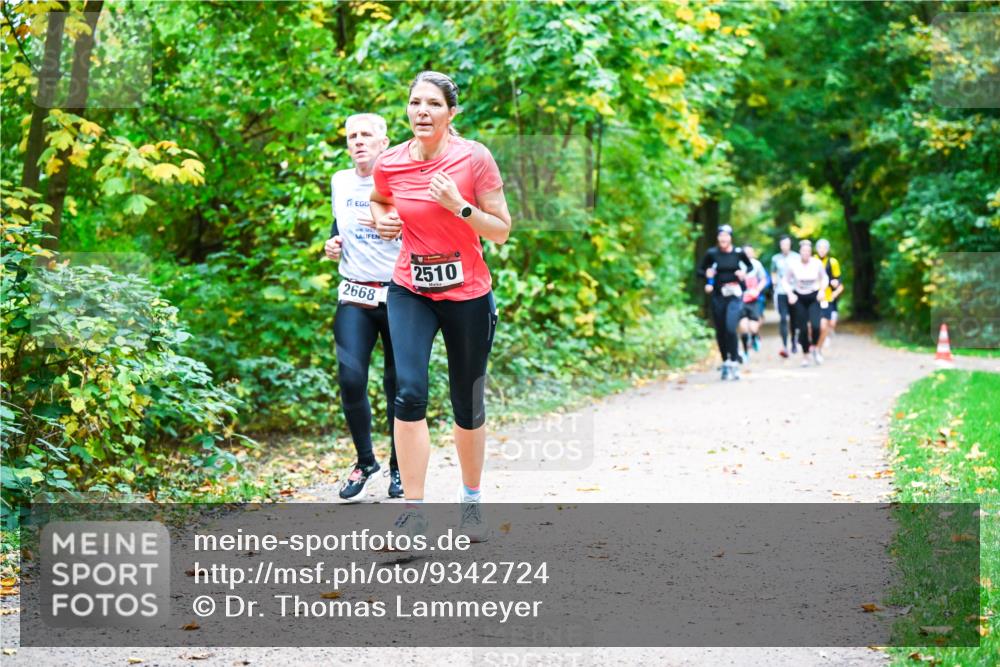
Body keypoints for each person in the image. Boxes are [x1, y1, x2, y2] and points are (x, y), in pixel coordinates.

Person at [370, 71, 511, 541]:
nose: (422, 111)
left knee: (466, 403)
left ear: (452, 113)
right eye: (414, 103)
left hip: (467, 293)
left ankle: (470, 501)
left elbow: (501, 230)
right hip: (410, 288)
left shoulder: (475, 159)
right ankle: (413, 512)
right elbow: (379, 201)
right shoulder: (390, 163)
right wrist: (385, 220)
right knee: (408, 393)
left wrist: (458, 206)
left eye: (433, 103)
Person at [325, 113, 404, 501]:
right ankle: (365, 461)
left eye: (366, 135)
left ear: (383, 142)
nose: (358, 141)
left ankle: (399, 466)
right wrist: (332, 243)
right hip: (354, 293)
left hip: (399, 295)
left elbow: (424, 230)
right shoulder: (340, 181)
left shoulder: (402, 179)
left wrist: (394, 226)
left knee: (399, 387)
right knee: (351, 378)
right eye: (352, 136)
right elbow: (338, 225)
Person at [698, 225, 752, 381]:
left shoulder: (738, 253)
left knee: (730, 327)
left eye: (726, 236)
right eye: (721, 236)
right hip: (718, 295)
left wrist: (743, 273)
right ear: (717, 238)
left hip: (734, 295)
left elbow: (749, 266)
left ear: (730, 238)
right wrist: (707, 276)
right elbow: (700, 270)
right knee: (721, 330)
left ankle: (734, 363)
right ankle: (726, 362)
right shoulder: (712, 254)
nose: (723, 239)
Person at [782, 239, 829, 367]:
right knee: (802, 328)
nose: (806, 253)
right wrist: (790, 293)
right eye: (803, 251)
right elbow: (785, 280)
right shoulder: (793, 264)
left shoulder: (817, 263)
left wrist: (822, 290)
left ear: (810, 252)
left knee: (815, 326)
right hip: (799, 298)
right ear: (800, 252)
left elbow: (824, 278)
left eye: (808, 251)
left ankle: (815, 347)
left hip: (813, 297)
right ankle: (806, 355)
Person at [738, 242, 769, 360]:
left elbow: (764, 279)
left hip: (754, 300)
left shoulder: (757, 265)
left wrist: (757, 290)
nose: (748, 255)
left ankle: (755, 337)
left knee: (753, 327)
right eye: (746, 253)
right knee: (743, 327)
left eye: (750, 253)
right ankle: (745, 352)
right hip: (741, 300)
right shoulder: (737, 265)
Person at [815, 238, 844, 352]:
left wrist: (835, 290)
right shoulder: (813, 260)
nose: (822, 250)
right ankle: (818, 341)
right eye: (820, 248)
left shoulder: (833, 262)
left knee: (831, 322)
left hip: (829, 297)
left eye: (824, 248)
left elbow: (839, 282)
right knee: (819, 322)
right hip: (816, 296)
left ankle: (826, 335)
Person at [770, 235, 796, 357]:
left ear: (790, 244)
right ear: (780, 245)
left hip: (794, 291)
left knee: (794, 319)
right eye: (783, 244)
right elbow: (773, 272)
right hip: (781, 292)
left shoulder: (796, 257)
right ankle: (785, 345)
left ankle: (794, 341)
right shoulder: (776, 258)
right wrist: (774, 283)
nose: (785, 246)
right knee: (783, 318)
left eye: (787, 244)